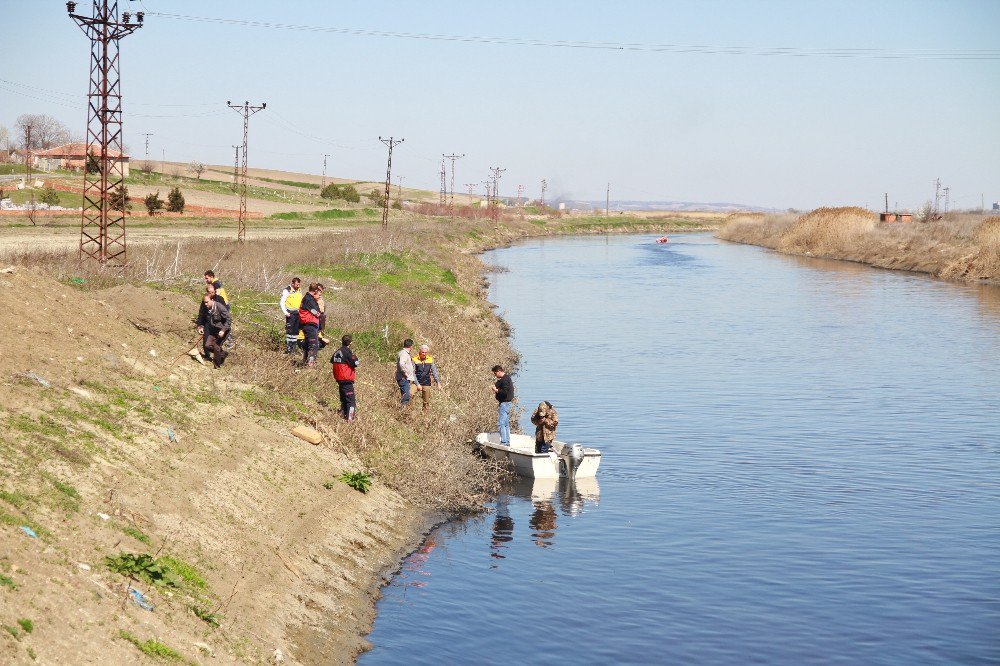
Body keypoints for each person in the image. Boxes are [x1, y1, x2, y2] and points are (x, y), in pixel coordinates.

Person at [197, 293, 231, 369]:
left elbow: (229, 319)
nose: (205, 304)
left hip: (223, 331)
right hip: (213, 330)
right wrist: (201, 326)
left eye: (207, 302)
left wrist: (223, 330)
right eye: (204, 302)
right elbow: (202, 317)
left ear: (212, 300)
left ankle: (217, 366)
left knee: (216, 347)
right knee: (207, 345)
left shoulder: (220, 307)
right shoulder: (206, 308)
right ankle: (223, 354)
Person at [331, 334, 360, 421]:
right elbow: (355, 363)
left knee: (344, 399)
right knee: (351, 402)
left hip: (339, 379)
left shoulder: (337, 352)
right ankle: (350, 419)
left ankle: (343, 415)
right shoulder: (347, 352)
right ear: (350, 343)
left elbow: (332, 360)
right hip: (346, 379)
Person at [298, 283, 323, 367]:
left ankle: (304, 362)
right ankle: (310, 364)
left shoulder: (308, 299)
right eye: (319, 295)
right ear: (315, 292)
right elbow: (317, 313)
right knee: (313, 345)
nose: (320, 297)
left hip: (309, 325)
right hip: (309, 325)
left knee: (308, 345)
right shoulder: (310, 300)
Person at [412, 344, 440, 411]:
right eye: (423, 352)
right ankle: (409, 411)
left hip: (426, 382)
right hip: (416, 382)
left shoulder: (430, 360)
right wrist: (417, 384)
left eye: (425, 352)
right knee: (410, 394)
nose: (424, 354)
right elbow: (412, 373)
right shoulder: (414, 359)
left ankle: (425, 415)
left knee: (426, 401)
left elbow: (434, 372)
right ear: (420, 352)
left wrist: (438, 382)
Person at [279, 277, 302, 354]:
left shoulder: (299, 290)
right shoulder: (287, 290)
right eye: (297, 284)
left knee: (296, 332)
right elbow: (282, 302)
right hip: (290, 313)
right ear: (292, 283)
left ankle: (293, 348)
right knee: (290, 331)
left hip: (298, 313)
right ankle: (289, 347)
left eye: (299, 284)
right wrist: (285, 312)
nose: (298, 286)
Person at [492, 364, 514, 446]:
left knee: (501, 423)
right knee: (506, 423)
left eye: (495, 373)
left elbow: (504, 392)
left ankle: (504, 442)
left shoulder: (505, 380)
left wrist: (496, 390)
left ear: (498, 371)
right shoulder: (506, 378)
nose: (495, 375)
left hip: (504, 404)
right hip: (507, 403)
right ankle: (507, 441)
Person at [395, 338, 419, 407]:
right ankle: (403, 409)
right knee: (407, 394)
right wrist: (405, 372)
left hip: (404, 378)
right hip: (403, 377)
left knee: (404, 394)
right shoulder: (404, 353)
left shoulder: (403, 353)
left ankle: (403, 409)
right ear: (411, 346)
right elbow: (401, 363)